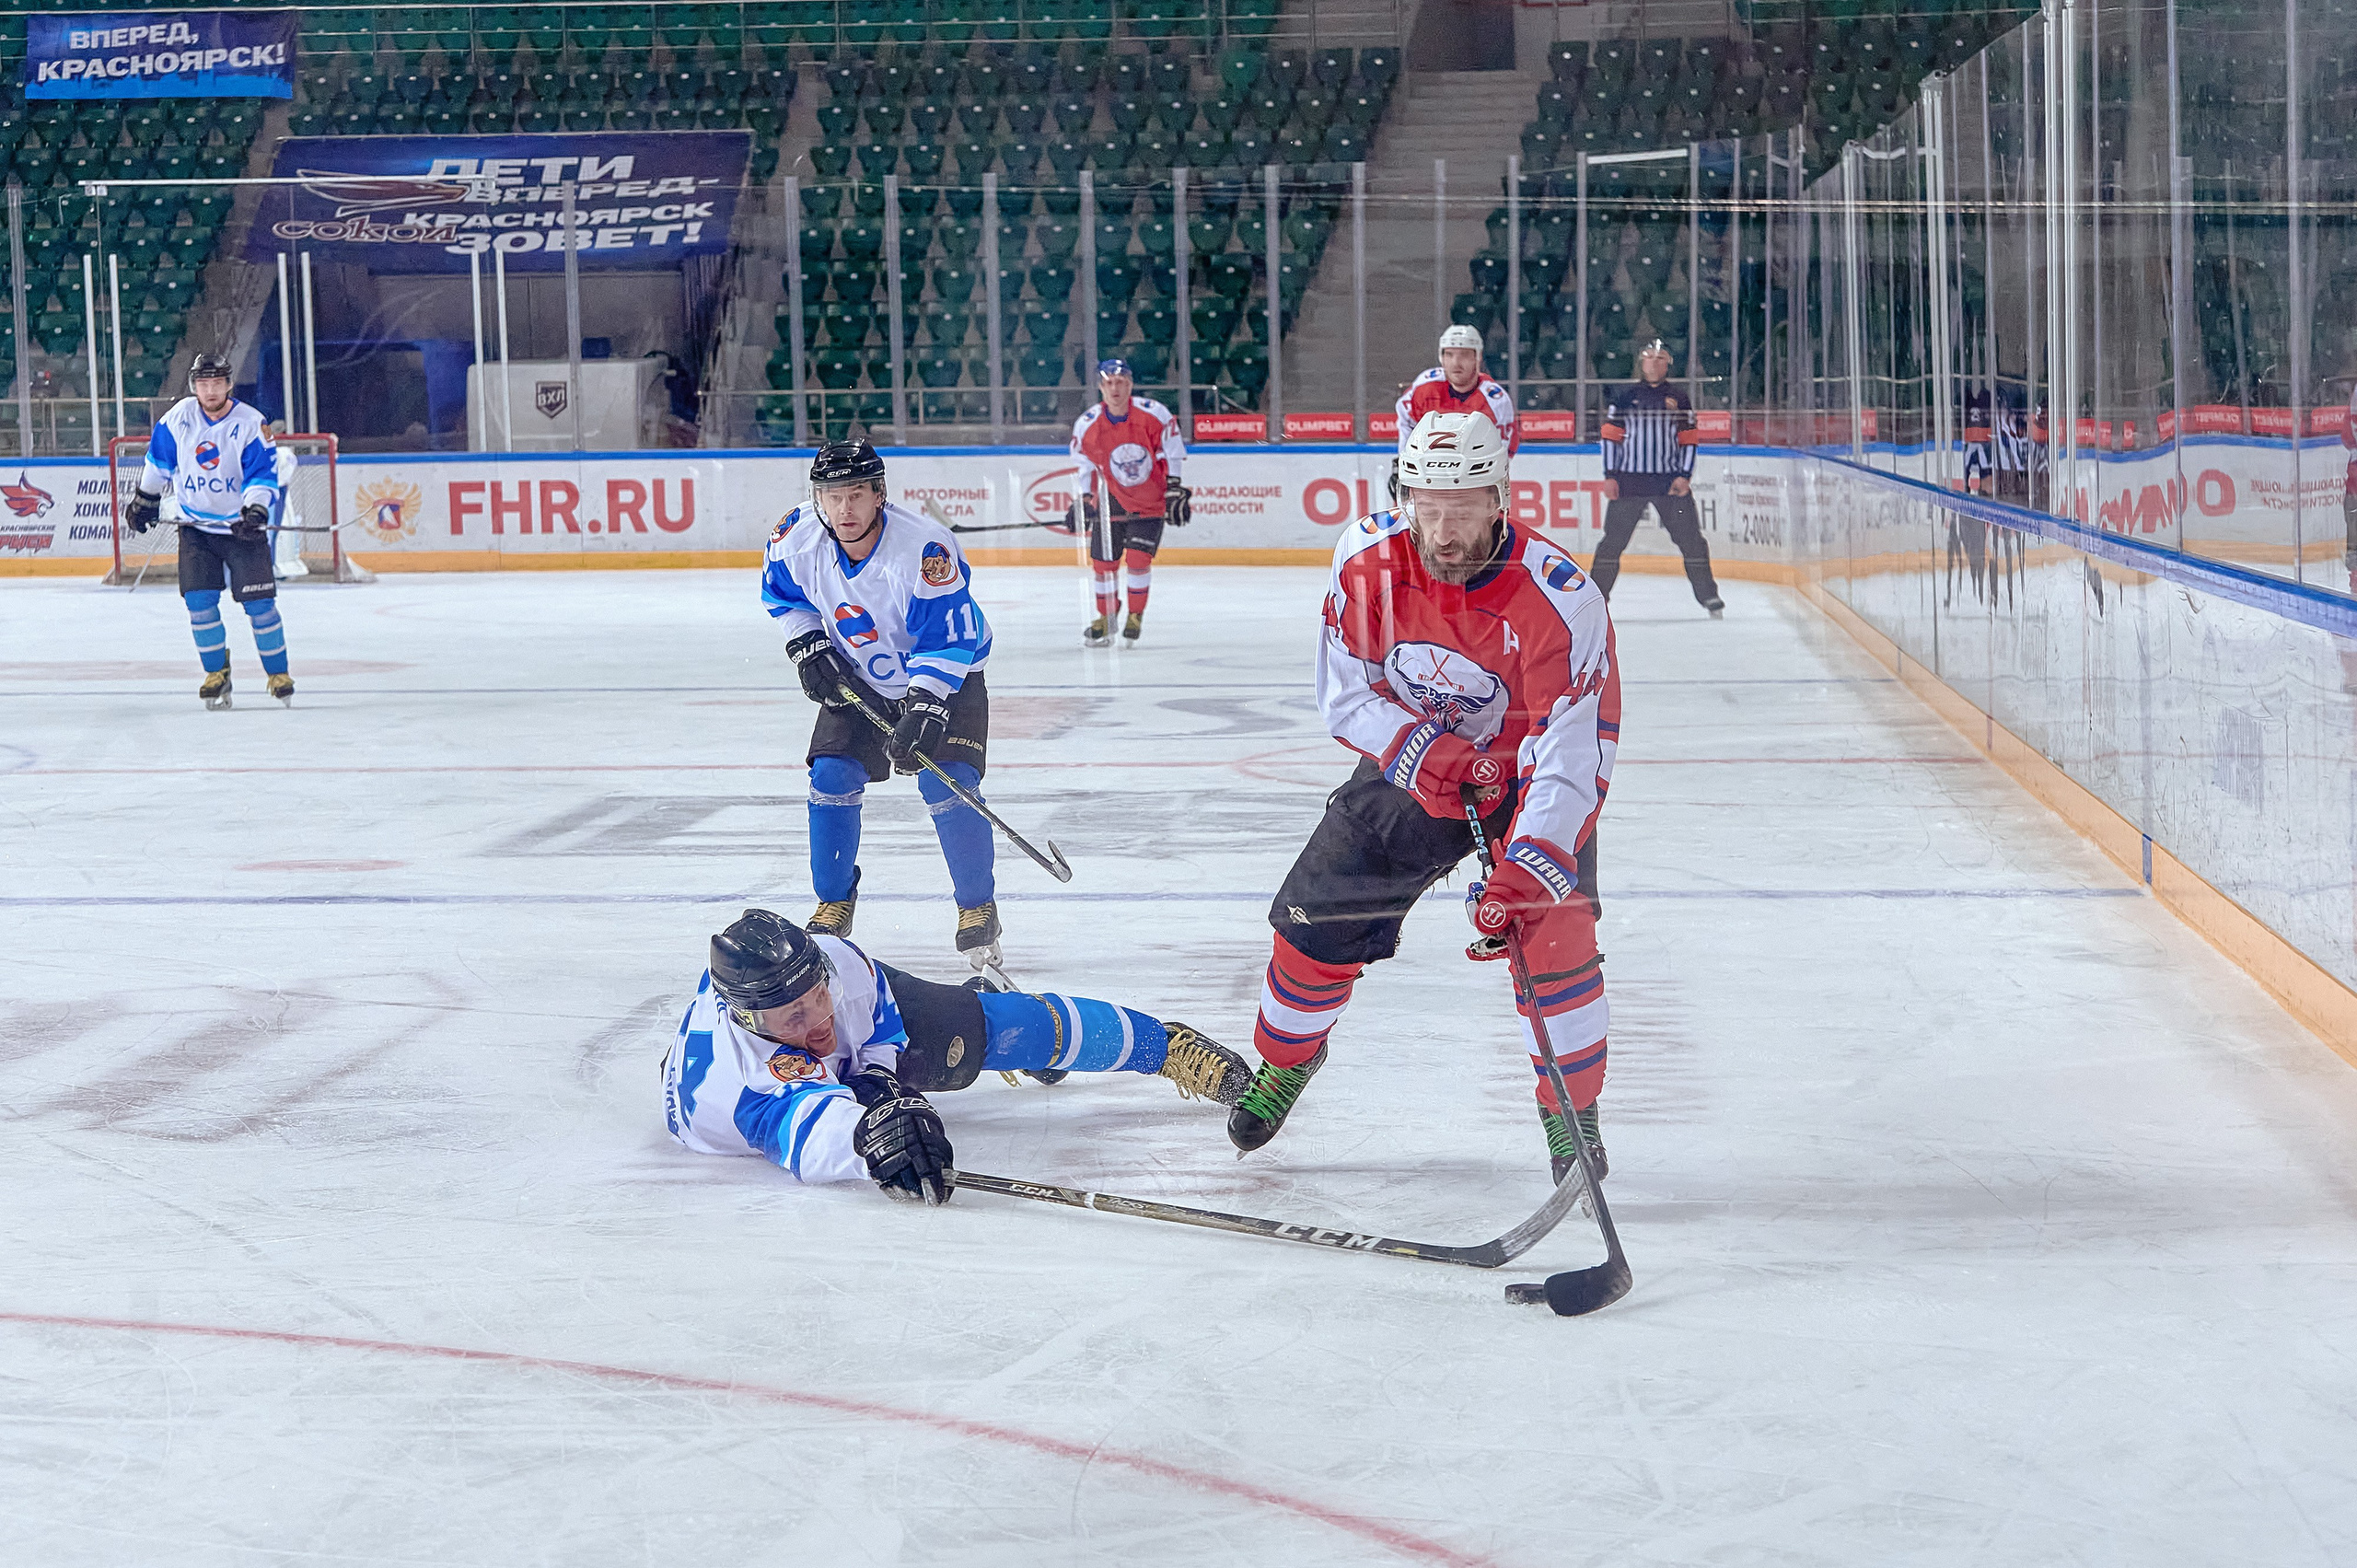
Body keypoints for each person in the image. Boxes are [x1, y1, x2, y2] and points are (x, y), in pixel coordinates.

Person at [1226, 411, 1618, 1192]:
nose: (1444, 530)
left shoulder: (1560, 598)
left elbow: (1573, 754)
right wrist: (1422, 752)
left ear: (1500, 498)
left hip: (1527, 783)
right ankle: (1286, 1062)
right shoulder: (1366, 562)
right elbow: (1347, 693)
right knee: (1311, 922)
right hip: (1414, 767)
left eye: (1465, 506)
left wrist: (1527, 870)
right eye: (1429, 506)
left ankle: (1572, 1115)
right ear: (1404, 496)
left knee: (1555, 939)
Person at [661, 909, 1255, 1200]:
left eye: (819, 1000)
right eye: (794, 1018)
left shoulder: (833, 962)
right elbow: (810, 1134)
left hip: (842, 1049)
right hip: (747, 1097)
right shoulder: (741, 1083)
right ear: (749, 1019)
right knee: (921, 1081)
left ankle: (1161, 1045)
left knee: (1002, 1030)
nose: (820, 1025)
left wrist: (876, 1079)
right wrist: (868, 1138)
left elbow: (877, 1024)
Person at [763, 439, 1003, 967]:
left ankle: (976, 908)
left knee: (947, 780)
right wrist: (808, 642)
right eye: (831, 496)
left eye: (855, 495)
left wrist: (927, 703)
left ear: (879, 495)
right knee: (829, 774)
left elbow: (947, 636)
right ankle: (832, 901)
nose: (843, 510)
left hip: (949, 676)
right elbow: (782, 595)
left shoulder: (923, 549)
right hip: (861, 672)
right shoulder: (794, 537)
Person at [119, 352, 292, 709]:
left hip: (241, 530)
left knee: (260, 605)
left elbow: (261, 474)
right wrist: (145, 499)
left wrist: (256, 510)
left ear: (229, 384)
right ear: (194, 386)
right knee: (199, 604)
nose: (210, 390)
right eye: (203, 383)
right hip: (196, 528)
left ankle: (278, 673)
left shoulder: (250, 423)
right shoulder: (177, 418)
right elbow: (158, 463)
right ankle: (216, 673)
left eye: (217, 383)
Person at [1586, 339, 1723, 616]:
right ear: (1641, 362)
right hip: (1629, 483)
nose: (1655, 363)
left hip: (1669, 484)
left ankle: (1709, 596)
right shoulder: (1625, 396)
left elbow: (1689, 439)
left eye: (1661, 358)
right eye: (1650, 357)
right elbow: (1611, 437)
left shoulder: (1679, 398)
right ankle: (1595, 598)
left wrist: (1684, 475)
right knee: (1612, 543)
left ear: (1668, 364)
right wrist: (1610, 475)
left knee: (1692, 541)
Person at [1068, 356, 1190, 647]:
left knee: (1137, 560)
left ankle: (1135, 616)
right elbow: (1084, 464)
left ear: (1130, 385)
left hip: (1150, 501)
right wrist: (1085, 498)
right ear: (1101, 387)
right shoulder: (1088, 424)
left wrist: (1174, 486)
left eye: (1121, 383)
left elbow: (1173, 450)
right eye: (1110, 383)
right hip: (1112, 501)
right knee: (1102, 564)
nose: (1116, 389)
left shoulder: (1154, 414)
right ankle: (1106, 616)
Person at [1391, 324, 1519, 505]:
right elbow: (1407, 423)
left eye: (1464, 355)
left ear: (1478, 357)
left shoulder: (1496, 401)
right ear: (1441, 358)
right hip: (1426, 479)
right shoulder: (1425, 387)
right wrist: (1403, 465)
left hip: (1473, 482)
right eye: (1449, 354)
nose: (1455, 363)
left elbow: (1499, 459)